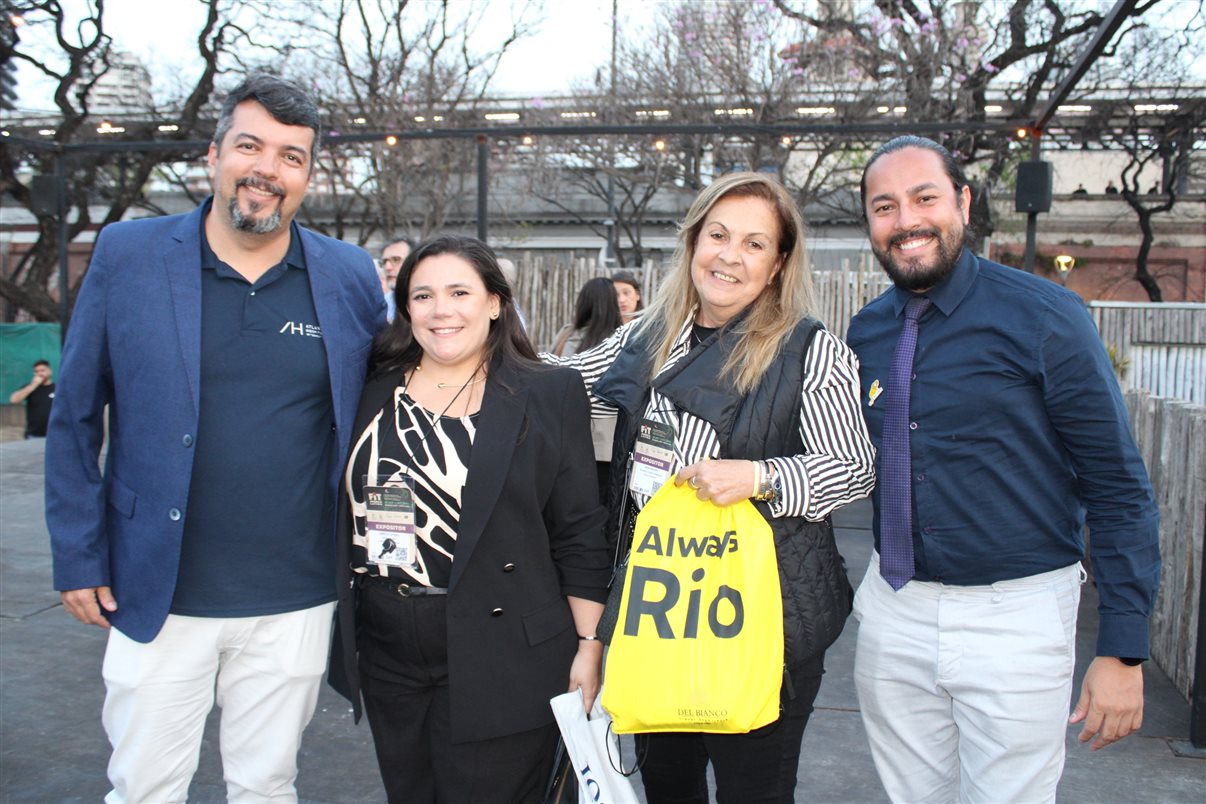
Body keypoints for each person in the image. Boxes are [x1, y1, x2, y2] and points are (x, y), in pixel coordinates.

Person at [44, 74, 386, 803]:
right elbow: (74, 414)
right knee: (144, 788)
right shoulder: (128, 255)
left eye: (291, 156)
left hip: (296, 595)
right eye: (251, 146)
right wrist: (78, 555)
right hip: (156, 590)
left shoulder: (349, 276)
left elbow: (394, 401)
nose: (268, 168)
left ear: (308, 176)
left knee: (266, 786)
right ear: (213, 155)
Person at [846, 135, 1160, 803]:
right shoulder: (866, 332)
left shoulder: (1046, 317)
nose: (906, 221)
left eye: (924, 198)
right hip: (895, 612)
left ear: (962, 201)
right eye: (884, 206)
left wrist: (1123, 649)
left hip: (1015, 617)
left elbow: (1119, 488)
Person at [547, 172, 875, 803]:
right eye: (718, 235)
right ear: (692, 242)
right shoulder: (647, 335)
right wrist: (470, 348)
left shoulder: (808, 349)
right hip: (662, 615)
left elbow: (855, 465)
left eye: (755, 244)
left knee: (755, 790)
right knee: (669, 786)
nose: (729, 255)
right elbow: (560, 383)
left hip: (763, 621)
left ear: (779, 263)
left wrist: (761, 476)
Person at [328, 235, 611, 803]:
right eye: (423, 295)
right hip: (388, 647)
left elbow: (579, 529)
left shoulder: (547, 391)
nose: (441, 310)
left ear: (494, 303)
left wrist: (589, 645)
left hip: (505, 645)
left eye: (460, 291)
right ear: (405, 307)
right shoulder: (367, 386)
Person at [551, 276, 624, 500]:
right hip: (609, 444)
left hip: (565, 437)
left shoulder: (567, 336)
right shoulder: (623, 341)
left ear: (583, 303)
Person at [8, 359, 55, 438]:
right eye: (36, 371)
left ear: (50, 371)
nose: (39, 373)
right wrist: (34, 385)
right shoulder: (29, 387)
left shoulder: (56, 388)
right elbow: (14, 400)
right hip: (34, 434)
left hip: (53, 434)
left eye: (42, 370)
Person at [380, 236, 414, 321]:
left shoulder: (427, 298)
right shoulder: (382, 305)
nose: (387, 267)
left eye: (396, 260)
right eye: (384, 262)